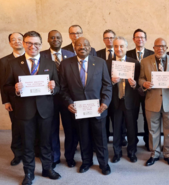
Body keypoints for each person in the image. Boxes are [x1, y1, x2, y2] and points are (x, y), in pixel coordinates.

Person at [4, 31, 61, 185]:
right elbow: (6, 86)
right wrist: (15, 88)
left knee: (46, 142)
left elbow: (58, 86)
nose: (32, 46)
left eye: (36, 43)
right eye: (29, 43)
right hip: (24, 110)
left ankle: (47, 168)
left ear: (41, 45)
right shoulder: (14, 64)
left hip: (45, 110)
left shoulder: (49, 63)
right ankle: (29, 172)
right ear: (24, 44)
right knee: (27, 144)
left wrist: (53, 87)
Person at [59, 37, 112, 175]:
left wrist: (105, 102)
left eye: (85, 45)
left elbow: (107, 85)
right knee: (84, 138)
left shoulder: (100, 63)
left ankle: (104, 164)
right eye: (79, 45)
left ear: (90, 47)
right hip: (79, 110)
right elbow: (63, 88)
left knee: (100, 138)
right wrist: (68, 103)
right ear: (74, 47)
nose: (82, 47)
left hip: (98, 109)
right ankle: (86, 162)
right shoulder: (65, 64)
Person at [139, 38, 169, 166]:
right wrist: (144, 83)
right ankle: (154, 154)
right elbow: (141, 78)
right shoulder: (145, 61)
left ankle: (168, 154)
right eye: (157, 46)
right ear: (153, 48)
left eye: (163, 46)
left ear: (166, 47)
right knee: (153, 130)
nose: (160, 48)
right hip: (152, 101)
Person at [40, 30, 76, 168]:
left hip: (67, 98)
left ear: (62, 39)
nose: (55, 39)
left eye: (58, 37)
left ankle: (70, 156)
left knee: (70, 130)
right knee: (52, 130)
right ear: (48, 40)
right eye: (52, 37)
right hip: (49, 99)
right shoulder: (41, 55)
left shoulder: (71, 55)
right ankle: (54, 157)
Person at [107, 36, 141, 163]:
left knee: (132, 128)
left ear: (126, 47)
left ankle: (132, 152)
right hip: (115, 101)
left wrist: (134, 84)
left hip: (130, 101)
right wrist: (111, 81)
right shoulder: (107, 63)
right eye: (116, 46)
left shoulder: (135, 63)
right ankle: (117, 153)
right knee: (116, 129)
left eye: (121, 46)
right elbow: (104, 83)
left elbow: (139, 83)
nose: (118, 49)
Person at [96, 29, 127, 146]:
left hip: (124, 96)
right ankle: (107, 141)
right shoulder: (100, 56)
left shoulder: (129, 60)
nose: (109, 40)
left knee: (121, 122)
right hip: (107, 95)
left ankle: (122, 140)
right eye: (106, 38)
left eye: (111, 38)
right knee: (106, 121)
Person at [0, 32, 25, 166]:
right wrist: (6, 101)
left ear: (24, 41)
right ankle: (17, 154)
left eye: (19, 39)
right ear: (10, 43)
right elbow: (2, 82)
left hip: (32, 101)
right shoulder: (4, 61)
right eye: (13, 40)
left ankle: (34, 151)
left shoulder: (32, 57)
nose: (16, 41)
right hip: (14, 101)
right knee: (17, 128)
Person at [126, 29, 154, 150]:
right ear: (133, 39)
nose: (140, 39)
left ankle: (148, 141)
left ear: (146, 40)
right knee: (132, 119)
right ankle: (133, 142)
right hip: (132, 92)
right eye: (137, 37)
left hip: (148, 92)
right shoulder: (127, 54)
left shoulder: (152, 54)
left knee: (149, 119)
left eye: (142, 37)